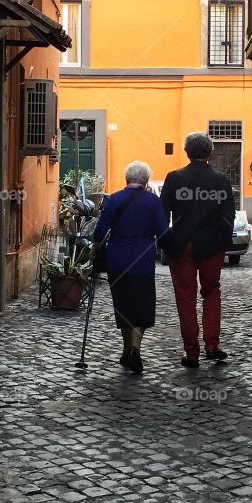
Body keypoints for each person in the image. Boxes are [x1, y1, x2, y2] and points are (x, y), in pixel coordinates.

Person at [161, 132, 236, 368]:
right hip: (212, 246)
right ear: (210, 152)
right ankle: (212, 346)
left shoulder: (174, 178)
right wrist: (223, 241)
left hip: (182, 245)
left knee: (186, 298)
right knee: (212, 293)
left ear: (186, 152)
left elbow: (163, 214)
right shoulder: (221, 180)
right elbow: (228, 215)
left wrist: (166, 242)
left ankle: (192, 353)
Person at [93, 161, 169, 375]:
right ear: (145, 181)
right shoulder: (153, 201)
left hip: (116, 260)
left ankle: (127, 351)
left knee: (123, 305)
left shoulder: (113, 199)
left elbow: (99, 232)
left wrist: (94, 248)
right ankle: (135, 348)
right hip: (142, 260)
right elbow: (163, 232)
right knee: (142, 305)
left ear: (127, 179)